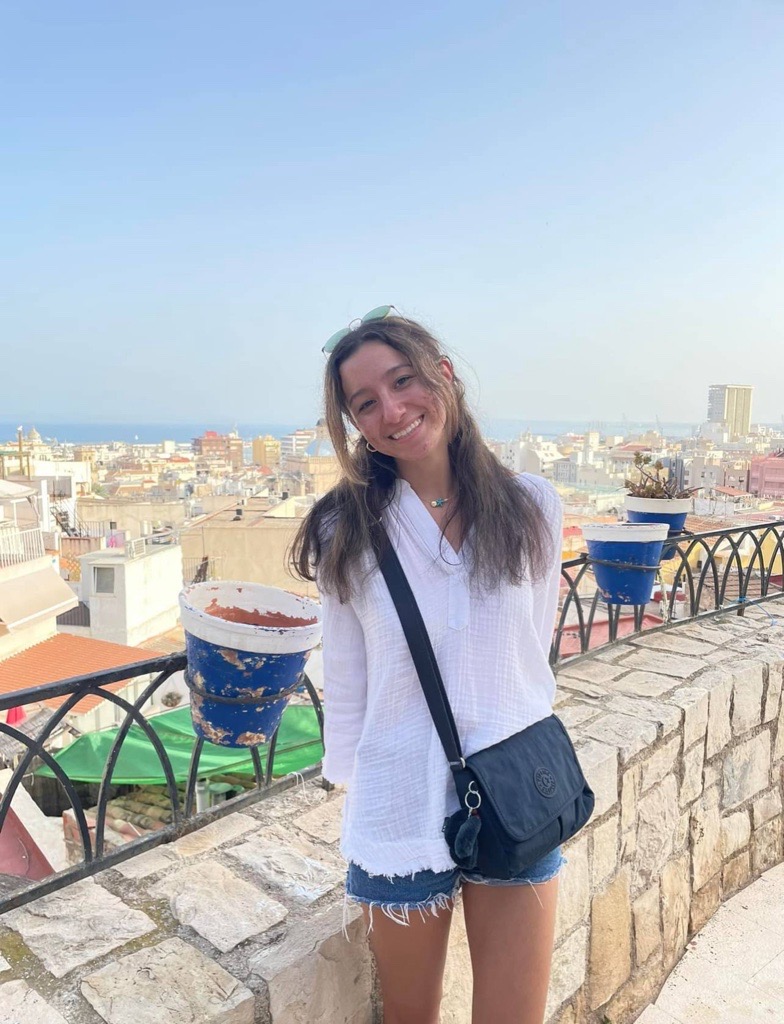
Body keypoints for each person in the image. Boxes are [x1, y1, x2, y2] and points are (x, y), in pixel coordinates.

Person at [291, 310, 564, 1024]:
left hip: (513, 798)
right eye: (365, 403)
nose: (393, 411)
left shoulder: (531, 507)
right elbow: (346, 677)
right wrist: (351, 780)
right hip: (400, 802)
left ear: (442, 372)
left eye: (403, 381)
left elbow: (532, 656)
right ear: (353, 424)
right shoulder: (341, 529)